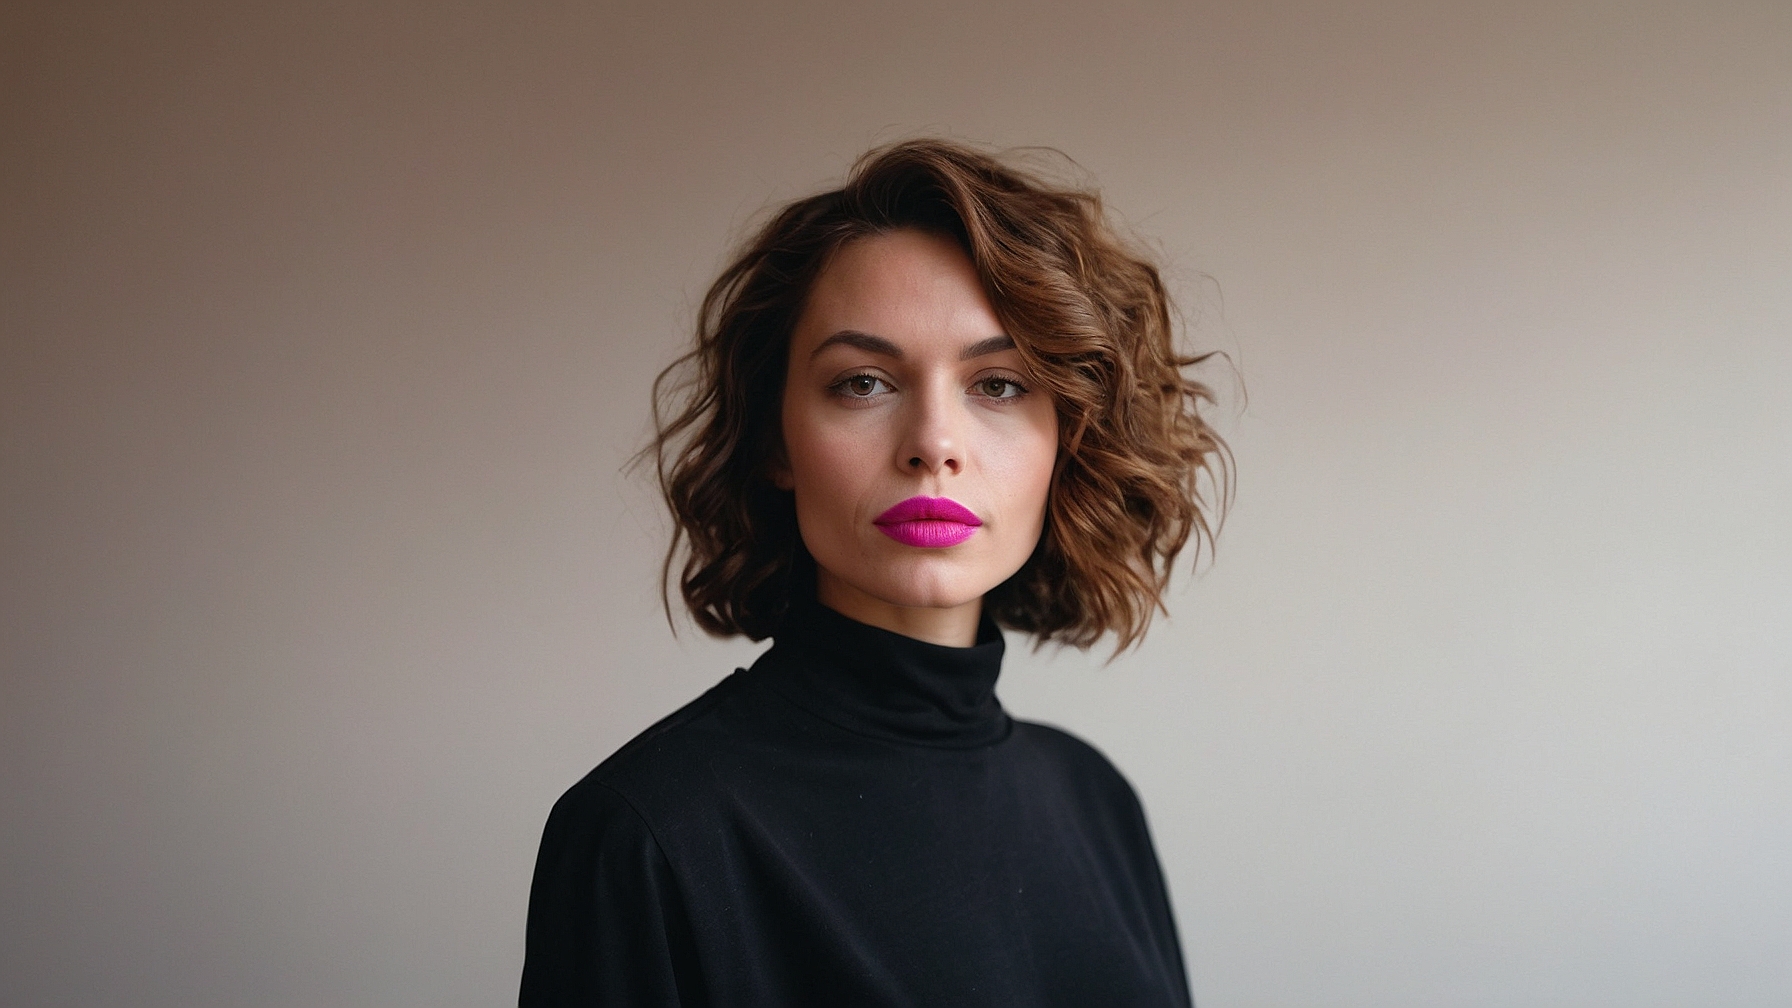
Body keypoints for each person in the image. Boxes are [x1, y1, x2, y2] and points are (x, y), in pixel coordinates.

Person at [520, 138, 1229, 1006]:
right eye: (862, 382)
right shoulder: (648, 833)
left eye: (999, 384)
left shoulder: (1096, 804)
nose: (934, 443)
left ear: (1069, 435)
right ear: (777, 438)